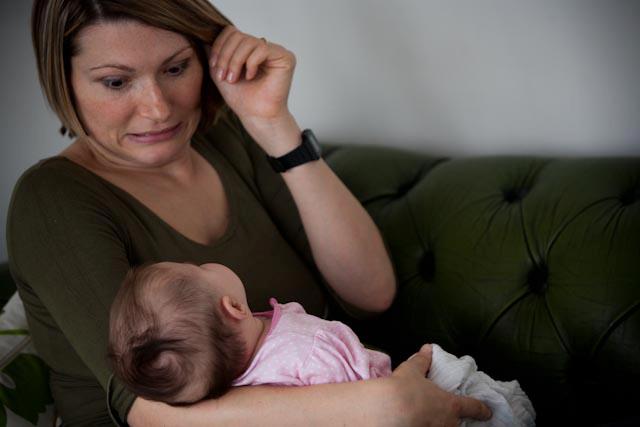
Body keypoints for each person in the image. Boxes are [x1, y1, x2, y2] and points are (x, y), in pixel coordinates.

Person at [7, 0, 492, 425]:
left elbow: (371, 292)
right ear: (64, 82)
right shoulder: (52, 199)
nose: (157, 109)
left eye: (176, 69)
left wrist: (274, 125)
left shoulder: (226, 139)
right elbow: (150, 413)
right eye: (116, 82)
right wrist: (376, 408)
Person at [109, 261, 534, 427]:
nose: (204, 261)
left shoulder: (239, 377)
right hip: (411, 405)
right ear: (234, 308)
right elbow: (365, 403)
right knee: (472, 390)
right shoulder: (307, 352)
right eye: (198, 266)